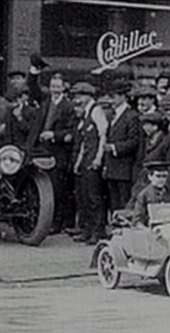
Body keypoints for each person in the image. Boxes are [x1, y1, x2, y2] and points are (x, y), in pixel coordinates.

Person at [26, 69, 76, 234]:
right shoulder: (46, 101)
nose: (55, 89)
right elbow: (32, 87)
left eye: (58, 86)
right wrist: (34, 71)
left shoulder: (68, 106)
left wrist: (53, 135)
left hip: (58, 151)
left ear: (64, 88)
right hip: (41, 149)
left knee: (57, 187)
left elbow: (72, 130)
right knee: (41, 183)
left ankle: (56, 223)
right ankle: (46, 220)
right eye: (53, 86)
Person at [70, 81, 108, 245]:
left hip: (93, 160)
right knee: (84, 196)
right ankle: (87, 230)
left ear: (88, 96)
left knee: (94, 197)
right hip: (86, 159)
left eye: (80, 95)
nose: (77, 99)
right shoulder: (85, 114)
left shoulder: (96, 111)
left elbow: (103, 135)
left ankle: (98, 231)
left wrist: (99, 157)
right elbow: (85, 141)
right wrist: (79, 161)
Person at [102, 79, 140, 212]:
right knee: (114, 203)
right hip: (112, 167)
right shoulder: (112, 115)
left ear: (123, 97)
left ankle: (124, 230)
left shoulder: (131, 116)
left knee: (124, 202)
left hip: (124, 168)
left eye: (114, 97)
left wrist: (114, 147)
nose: (111, 100)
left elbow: (134, 141)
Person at [124, 160, 170, 226]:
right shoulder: (143, 195)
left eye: (164, 176)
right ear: (150, 177)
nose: (161, 179)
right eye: (158, 176)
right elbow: (137, 220)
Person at [5, 82, 36, 149]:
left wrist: (20, 118)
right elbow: (8, 129)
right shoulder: (11, 110)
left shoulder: (32, 111)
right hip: (11, 146)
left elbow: (31, 130)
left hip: (25, 145)